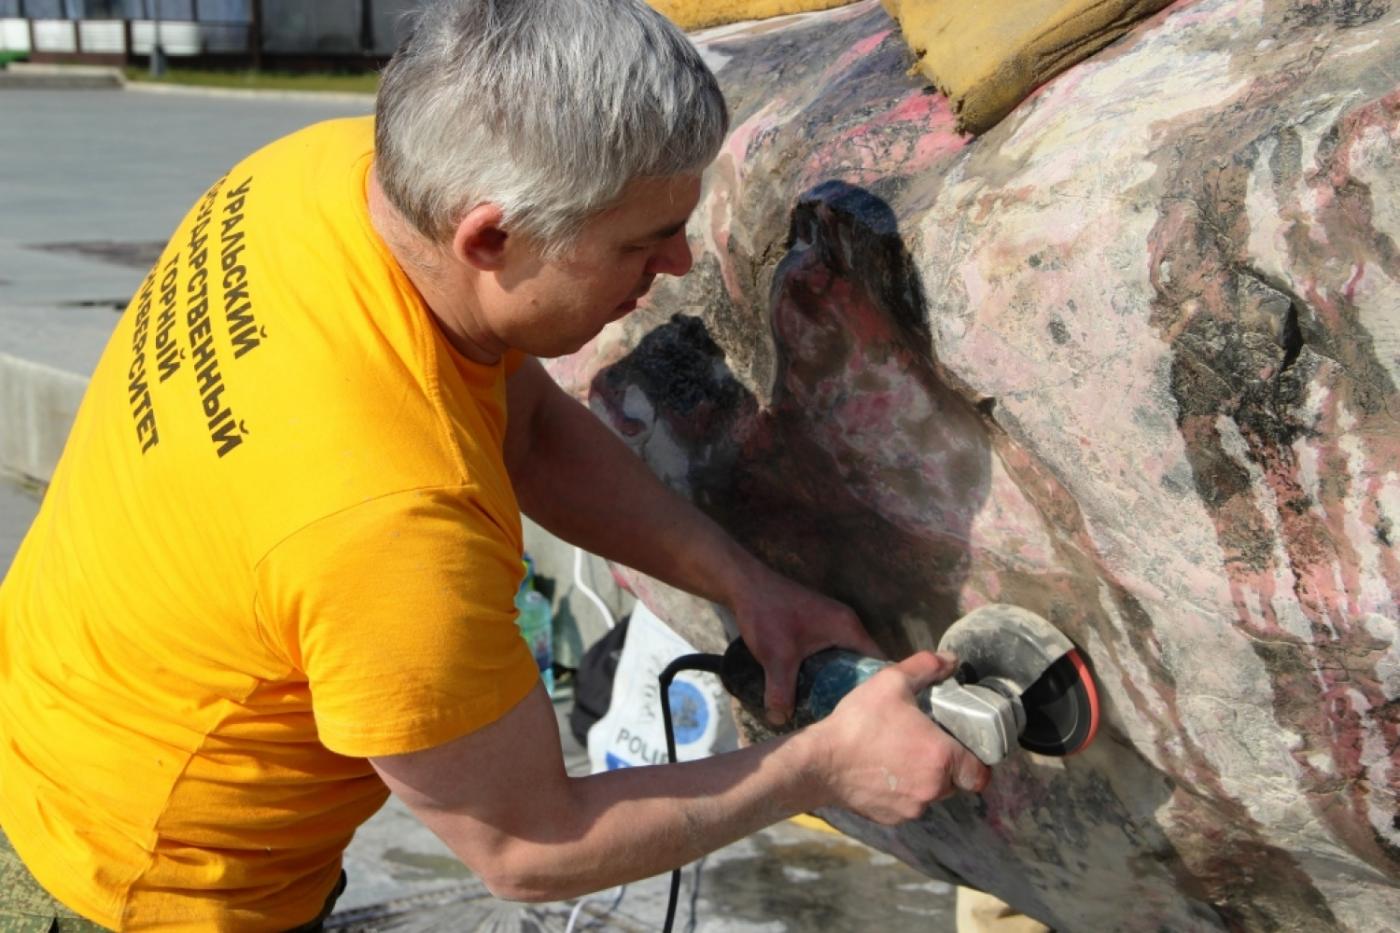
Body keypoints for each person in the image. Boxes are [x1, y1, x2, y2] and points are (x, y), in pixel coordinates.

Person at [0, 0, 990, 929]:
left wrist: (745, 584)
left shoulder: (323, 176)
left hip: (52, 722)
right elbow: (526, 842)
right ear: (490, 235)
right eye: (641, 243)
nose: (676, 267)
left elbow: (525, 430)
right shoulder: (387, 524)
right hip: (143, 890)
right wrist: (821, 769)